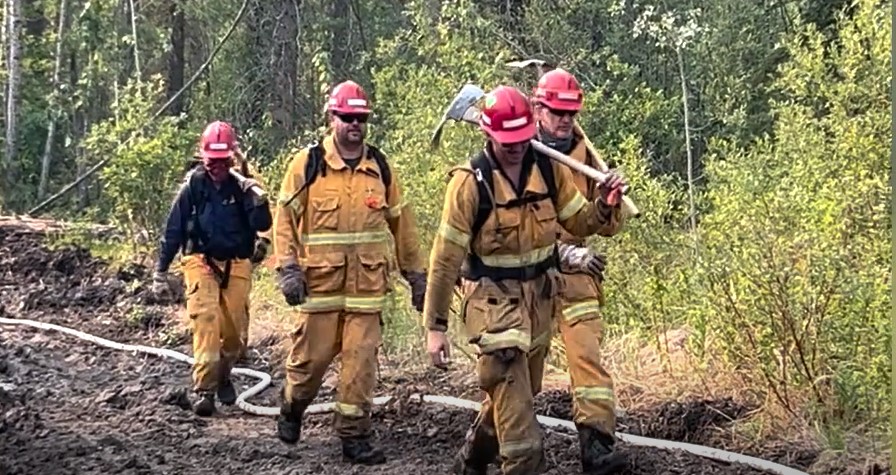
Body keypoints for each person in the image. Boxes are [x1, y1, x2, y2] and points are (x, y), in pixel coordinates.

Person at [422, 85, 627, 475]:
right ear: (488, 134)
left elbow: (579, 221)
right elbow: (445, 260)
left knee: (520, 392)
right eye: (507, 141)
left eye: (521, 139)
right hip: (493, 309)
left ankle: (471, 459)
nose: (516, 147)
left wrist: (604, 203)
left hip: (539, 304)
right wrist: (435, 328)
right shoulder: (469, 184)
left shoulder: (549, 170)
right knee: (524, 445)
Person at [271, 79, 427, 465]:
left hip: (367, 292)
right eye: (347, 117)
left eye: (361, 118)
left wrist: (418, 276)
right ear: (332, 118)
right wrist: (288, 268)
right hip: (320, 290)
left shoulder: (380, 168)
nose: (354, 124)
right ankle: (292, 405)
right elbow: (285, 219)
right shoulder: (308, 165)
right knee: (308, 367)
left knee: (360, 366)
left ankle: (354, 436)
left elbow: (402, 227)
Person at [531, 67, 628, 474]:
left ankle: (597, 447)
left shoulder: (586, 157)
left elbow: (606, 226)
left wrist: (608, 203)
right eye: (557, 111)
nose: (565, 119)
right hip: (527, 277)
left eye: (571, 112)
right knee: (517, 369)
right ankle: (490, 443)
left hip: (577, 274)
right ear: (538, 108)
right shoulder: (519, 153)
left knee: (587, 358)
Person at [151, 120, 273, 417]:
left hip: (237, 261)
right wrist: (161, 270)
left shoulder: (245, 186)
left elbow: (264, 226)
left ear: (232, 157)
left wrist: (258, 203)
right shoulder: (193, 187)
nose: (217, 167)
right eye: (211, 161)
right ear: (202, 157)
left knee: (234, 335)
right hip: (200, 261)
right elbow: (174, 230)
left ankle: (223, 374)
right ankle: (204, 390)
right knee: (206, 320)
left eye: (222, 161)